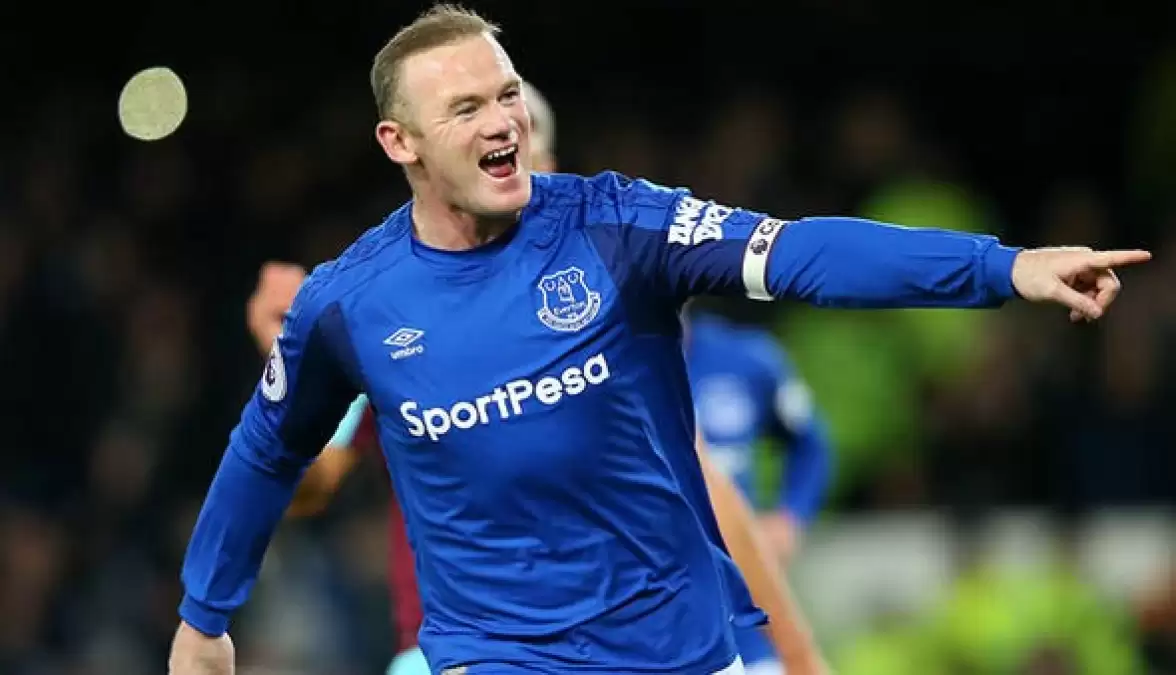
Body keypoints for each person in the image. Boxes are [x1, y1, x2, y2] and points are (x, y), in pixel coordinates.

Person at [169, 5, 1150, 675]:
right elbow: (269, 452)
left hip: (679, 646)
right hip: (494, 654)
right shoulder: (352, 304)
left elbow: (799, 251)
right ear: (402, 143)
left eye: (506, 94)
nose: (503, 120)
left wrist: (1002, 268)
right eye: (465, 108)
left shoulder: (617, 225)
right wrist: (203, 616)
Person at [247, 82, 820, 675]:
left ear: (548, 169)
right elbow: (309, 487)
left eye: (517, 150)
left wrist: (800, 659)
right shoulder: (390, 321)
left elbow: (708, 491)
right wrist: (289, 365)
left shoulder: (601, 322)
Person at [684, 306, 832, 675]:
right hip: (664, 612)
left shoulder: (747, 359)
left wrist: (790, 515)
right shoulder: (599, 375)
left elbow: (811, 443)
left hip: (747, 608)